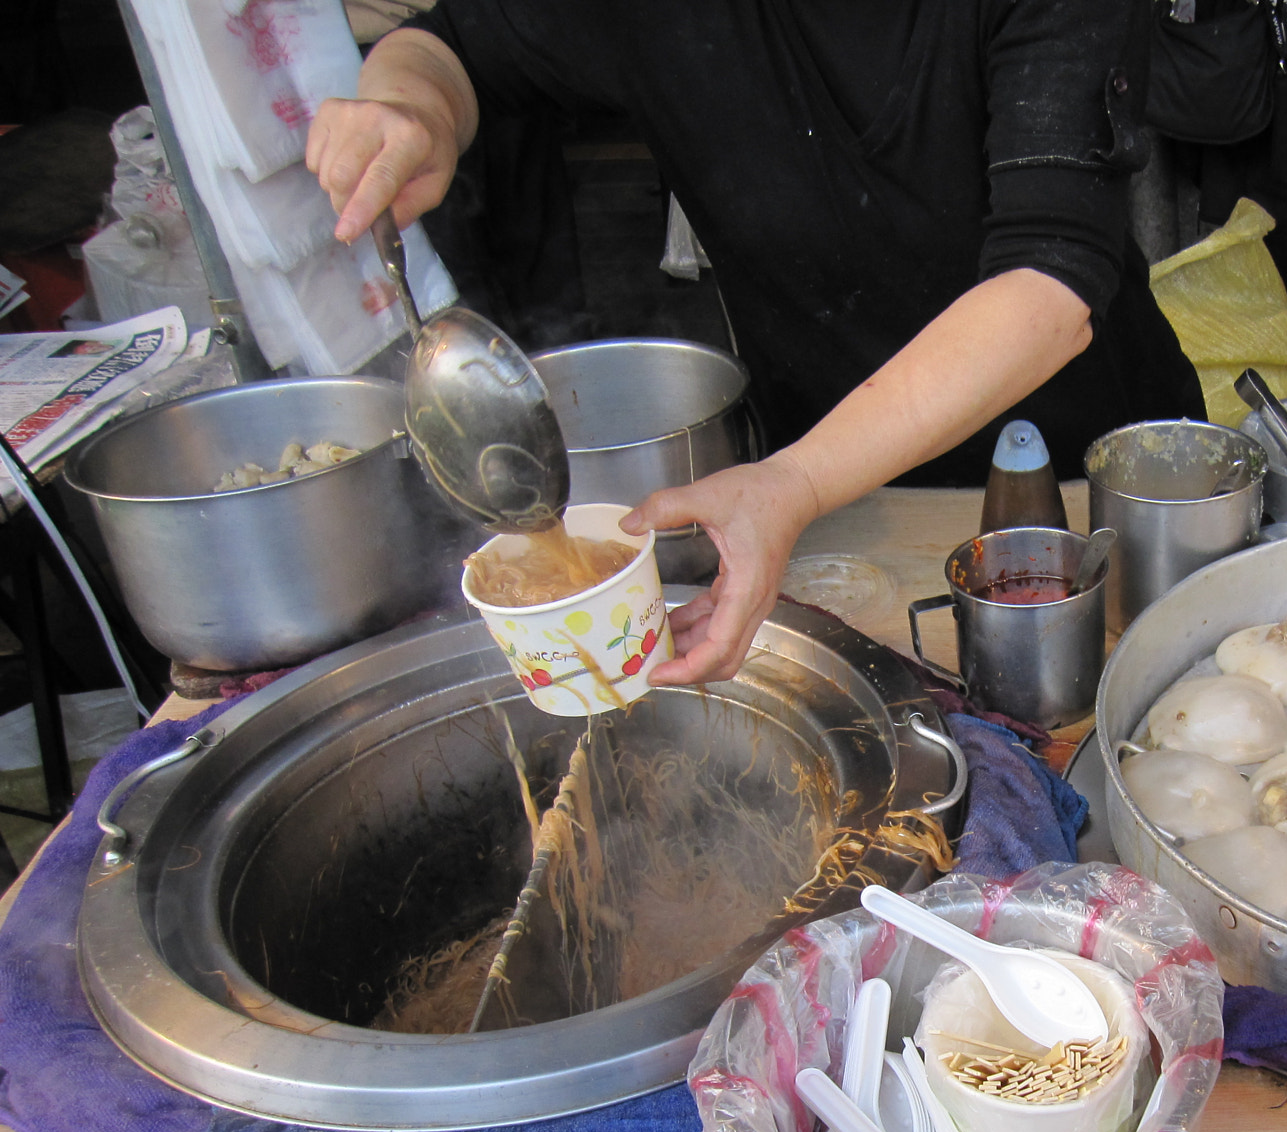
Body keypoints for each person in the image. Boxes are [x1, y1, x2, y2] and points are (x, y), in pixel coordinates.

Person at [307, 0, 1203, 685]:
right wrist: (408, 107)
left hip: (1091, 513)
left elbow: (1047, 286)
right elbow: (450, 45)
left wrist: (791, 482)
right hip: (833, 514)